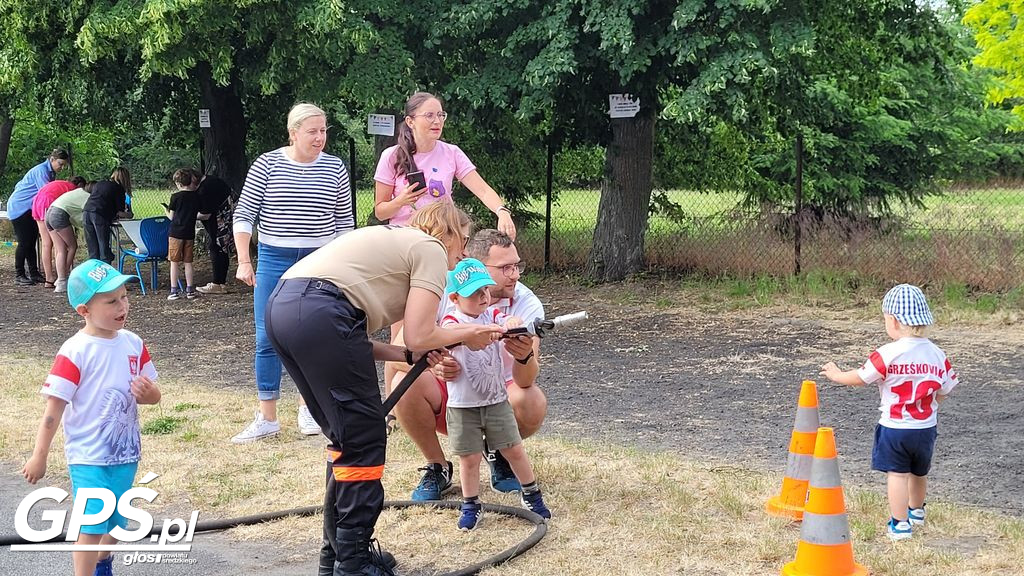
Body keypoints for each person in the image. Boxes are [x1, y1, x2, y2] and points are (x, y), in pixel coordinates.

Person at [265, 202, 504, 575]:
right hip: (322, 313)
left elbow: (354, 337)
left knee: (345, 437)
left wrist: (407, 354)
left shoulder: (394, 242)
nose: (463, 250)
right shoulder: (431, 249)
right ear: (449, 232)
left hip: (284, 308)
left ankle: (339, 555)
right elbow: (422, 331)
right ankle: (354, 562)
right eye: (465, 238)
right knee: (362, 437)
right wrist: (468, 333)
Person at [374, 91, 517, 427]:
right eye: (429, 116)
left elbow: (480, 188)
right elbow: (380, 210)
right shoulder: (392, 157)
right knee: (402, 334)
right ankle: (393, 404)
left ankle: (452, 395)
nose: (437, 122)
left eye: (441, 115)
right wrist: (402, 201)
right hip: (405, 252)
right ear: (410, 121)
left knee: (441, 320)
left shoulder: (451, 153)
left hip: (442, 253)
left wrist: (501, 209)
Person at [21, 259, 161, 576]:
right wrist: (38, 456)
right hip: (88, 456)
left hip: (125, 452)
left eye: (124, 296)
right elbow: (52, 412)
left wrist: (148, 394)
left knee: (118, 518)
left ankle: (103, 562)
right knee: (92, 519)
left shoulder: (134, 343)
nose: (122, 305)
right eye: (111, 301)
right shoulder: (75, 351)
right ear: (84, 310)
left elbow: (155, 395)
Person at [231, 102, 355, 443]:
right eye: (312, 131)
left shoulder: (334, 168)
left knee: (312, 335)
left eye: (324, 130)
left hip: (320, 259)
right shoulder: (267, 164)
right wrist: (244, 260)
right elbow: (244, 215)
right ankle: (267, 416)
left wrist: (345, 266)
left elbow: (344, 223)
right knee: (265, 335)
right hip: (273, 258)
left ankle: (309, 409)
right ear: (293, 133)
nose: (320, 138)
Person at [391, 229, 545, 500]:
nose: (515, 274)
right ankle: (437, 466)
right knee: (402, 383)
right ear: (474, 265)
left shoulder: (525, 302)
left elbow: (526, 379)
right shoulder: (443, 290)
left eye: (516, 265)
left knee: (531, 400)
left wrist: (523, 355)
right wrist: (434, 365)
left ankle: (499, 451)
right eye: (505, 267)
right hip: (453, 395)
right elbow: (400, 350)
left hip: (499, 395)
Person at [820, 284, 959, 541]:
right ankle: (917, 512)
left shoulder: (888, 353)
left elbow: (863, 377)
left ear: (893, 321)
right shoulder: (937, 354)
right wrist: (935, 402)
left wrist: (837, 375)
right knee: (919, 472)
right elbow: (946, 388)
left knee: (897, 474)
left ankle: (900, 523)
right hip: (925, 428)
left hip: (895, 427)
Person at [440, 258, 552, 530]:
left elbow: (508, 320)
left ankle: (531, 493)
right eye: (474, 293)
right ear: (455, 298)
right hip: (463, 405)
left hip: (496, 401)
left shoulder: (492, 314)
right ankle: (470, 504)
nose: (483, 298)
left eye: (486, 291)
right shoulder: (453, 318)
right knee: (469, 458)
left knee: (514, 448)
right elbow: (448, 332)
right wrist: (476, 333)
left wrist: (513, 325)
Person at [7, 148, 68, 285]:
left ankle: (34, 273)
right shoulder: (42, 171)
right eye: (60, 163)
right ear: (51, 159)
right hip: (19, 207)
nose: (62, 167)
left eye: (64, 165)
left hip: (31, 209)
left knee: (31, 241)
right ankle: (19, 274)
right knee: (24, 242)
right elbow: (47, 192)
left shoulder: (50, 172)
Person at [33, 176, 86, 289]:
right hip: (50, 203)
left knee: (46, 244)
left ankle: (49, 278)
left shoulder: (62, 184)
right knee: (63, 247)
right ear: (80, 185)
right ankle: (61, 276)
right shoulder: (74, 190)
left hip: (37, 203)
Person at [46, 180, 94, 293]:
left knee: (61, 249)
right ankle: (63, 279)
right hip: (58, 215)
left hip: (49, 213)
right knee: (72, 246)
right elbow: (88, 214)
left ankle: (60, 279)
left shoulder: (78, 192)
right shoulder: (88, 197)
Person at [166, 168, 205, 300]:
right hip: (189, 233)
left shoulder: (175, 197)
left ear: (178, 183)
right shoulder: (196, 197)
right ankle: (190, 290)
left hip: (176, 233)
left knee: (174, 262)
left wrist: (166, 210)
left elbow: (171, 217)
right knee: (188, 262)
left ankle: (174, 291)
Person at [82, 168, 133, 264]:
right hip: (100, 215)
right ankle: (106, 270)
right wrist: (129, 214)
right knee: (103, 246)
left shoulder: (100, 183)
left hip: (86, 212)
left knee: (92, 247)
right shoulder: (119, 189)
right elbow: (120, 211)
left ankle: (93, 271)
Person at [195, 173, 235, 294]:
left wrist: (185, 215)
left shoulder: (205, 190)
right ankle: (220, 283)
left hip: (222, 219)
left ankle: (217, 284)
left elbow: (205, 215)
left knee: (216, 247)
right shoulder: (210, 180)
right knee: (221, 248)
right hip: (228, 215)